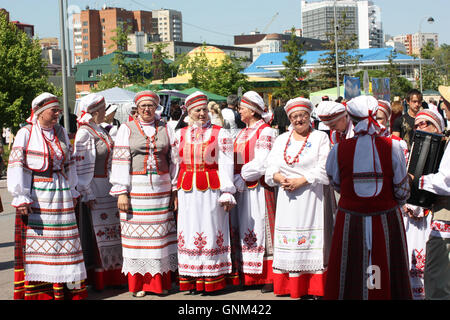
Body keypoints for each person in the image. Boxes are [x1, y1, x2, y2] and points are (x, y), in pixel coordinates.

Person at [324, 95, 412, 300]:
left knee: (352, 268)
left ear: (351, 119)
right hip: (386, 220)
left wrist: (355, 199)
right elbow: (402, 191)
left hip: (351, 220)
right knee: (382, 267)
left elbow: (336, 183)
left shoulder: (338, 149)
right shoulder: (393, 147)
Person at [7, 92, 87, 300]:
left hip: (60, 196)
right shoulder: (26, 133)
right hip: (38, 195)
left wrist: (72, 190)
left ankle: (65, 291)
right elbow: (17, 165)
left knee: (62, 244)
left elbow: (70, 164)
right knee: (40, 247)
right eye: (54, 110)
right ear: (41, 112)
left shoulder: (60, 132)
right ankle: (42, 294)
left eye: (58, 110)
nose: (57, 114)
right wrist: (21, 196)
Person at [110, 90, 179, 298]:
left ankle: (160, 283)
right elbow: (120, 161)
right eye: (143, 106)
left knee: (159, 238)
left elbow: (174, 161)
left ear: (156, 108)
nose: (147, 110)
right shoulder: (126, 128)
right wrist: (122, 192)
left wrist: (174, 190)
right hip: (136, 190)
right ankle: (139, 283)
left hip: (161, 189)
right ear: (137, 109)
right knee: (137, 238)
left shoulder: (166, 128)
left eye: (150, 106)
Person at [265, 97, 335, 299]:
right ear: (289, 119)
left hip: (311, 197)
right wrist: (279, 177)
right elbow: (271, 167)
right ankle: (290, 286)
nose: (298, 120)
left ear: (309, 116)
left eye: (302, 115)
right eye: (294, 117)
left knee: (313, 241)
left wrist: (302, 180)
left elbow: (324, 167)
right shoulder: (281, 140)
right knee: (290, 240)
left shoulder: (320, 137)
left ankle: (313, 286)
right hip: (288, 198)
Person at [176, 91, 237, 293]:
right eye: (197, 110)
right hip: (186, 190)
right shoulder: (180, 134)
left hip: (211, 188)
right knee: (189, 228)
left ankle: (212, 278)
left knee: (211, 228)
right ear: (189, 112)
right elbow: (175, 164)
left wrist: (227, 191)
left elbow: (226, 162)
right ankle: (193, 278)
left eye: (204, 110)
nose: (202, 113)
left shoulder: (221, 133)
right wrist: (173, 191)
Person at [74, 94, 126, 292]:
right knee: (98, 233)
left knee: (111, 232)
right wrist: (86, 191)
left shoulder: (99, 130)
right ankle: (100, 278)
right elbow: (81, 164)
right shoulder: (84, 133)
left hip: (107, 185)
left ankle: (114, 274)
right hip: (94, 185)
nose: (106, 112)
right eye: (104, 109)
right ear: (96, 112)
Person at [231, 91, 276, 292]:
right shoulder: (241, 132)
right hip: (241, 188)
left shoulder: (264, 131)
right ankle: (247, 274)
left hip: (257, 187)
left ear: (252, 110)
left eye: (241, 108)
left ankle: (267, 276)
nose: (239, 111)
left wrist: (242, 177)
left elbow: (262, 161)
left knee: (260, 225)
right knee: (244, 226)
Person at [416, 85, 450, 300]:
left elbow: (447, 181)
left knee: (438, 281)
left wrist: (416, 180)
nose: (444, 106)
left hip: (447, 214)